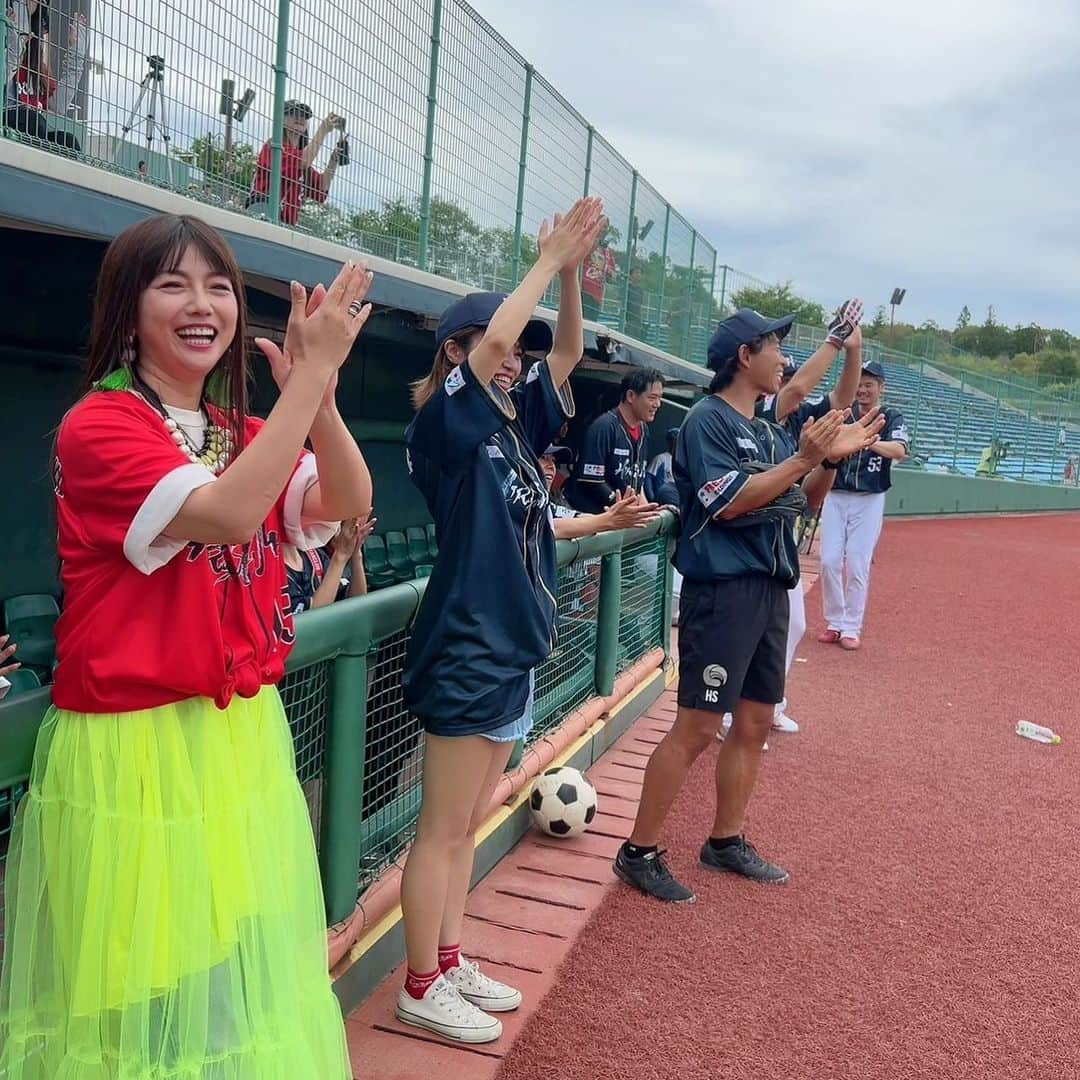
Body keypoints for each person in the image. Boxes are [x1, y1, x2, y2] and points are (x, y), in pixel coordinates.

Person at [0, 213, 374, 1075]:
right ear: (128, 314)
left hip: (231, 734)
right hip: (131, 746)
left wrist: (318, 400)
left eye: (217, 287)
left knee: (223, 994)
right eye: (172, 284)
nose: (202, 304)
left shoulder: (238, 432)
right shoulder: (100, 425)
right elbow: (232, 512)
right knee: (140, 1007)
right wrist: (305, 380)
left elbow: (345, 501)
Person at [397, 197, 605, 1043]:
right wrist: (540, 261)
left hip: (513, 642)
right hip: (467, 644)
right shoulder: (445, 422)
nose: (512, 358)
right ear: (453, 353)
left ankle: (447, 961)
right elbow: (491, 349)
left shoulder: (513, 431)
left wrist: (569, 275)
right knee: (442, 831)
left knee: (469, 826)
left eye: (515, 347)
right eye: (495, 345)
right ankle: (418, 986)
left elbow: (569, 351)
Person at [612, 307, 882, 903]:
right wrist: (807, 456)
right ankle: (638, 851)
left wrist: (828, 459)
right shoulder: (708, 421)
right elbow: (730, 504)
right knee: (699, 725)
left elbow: (805, 500)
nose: (783, 358)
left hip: (769, 583)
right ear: (743, 356)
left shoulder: (767, 427)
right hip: (724, 588)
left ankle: (725, 840)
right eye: (774, 347)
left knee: (756, 719)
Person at [748, 301, 865, 733]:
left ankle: (769, 703)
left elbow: (841, 400)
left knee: (793, 622)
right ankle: (733, 712)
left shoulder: (790, 424)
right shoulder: (752, 411)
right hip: (743, 541)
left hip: (778, 542)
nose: (785, 372)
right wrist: (836, 337)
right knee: (748, 632)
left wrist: (855, 348)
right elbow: (796, 391)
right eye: (780, 363)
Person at [818, 360, 909, 651]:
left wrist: (868, 441)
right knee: (829, 560)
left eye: (869, 384)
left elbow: (900, 450)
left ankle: (851, 626)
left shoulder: (891, 417)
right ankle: (834, 621)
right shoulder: (842, 415)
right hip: (837, 494)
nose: (862, 389)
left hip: (869, 499)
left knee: (857, 563)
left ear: (880, 387)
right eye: (859, 383)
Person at [563, 367, 663, 513]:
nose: (657, 404)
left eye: (660, 398)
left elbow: (637, 479)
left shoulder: (644, 430)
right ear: (630, 396)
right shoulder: (604, 427)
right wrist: (623, 505)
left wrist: (646, 510)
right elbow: (592, 480)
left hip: (621, 518)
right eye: (652, 398)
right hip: (588, 516)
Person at [248, 99, 345, 227]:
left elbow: (321, 189)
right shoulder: (274, 147)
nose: (299, 118)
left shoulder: (299, 157)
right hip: (263, 216)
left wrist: (333, 160)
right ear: (282, 119)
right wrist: (323, 130)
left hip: (284, 224)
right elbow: (303, 161)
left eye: (304, 115)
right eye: (293, 113)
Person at [284, 513, 375, 614]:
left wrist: (355, 553)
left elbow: (357, 603)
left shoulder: (316, 555)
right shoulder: (271, 570)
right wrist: (341, 555)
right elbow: (312, 622)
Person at [4, 32, 80, 151]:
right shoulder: (8, 63)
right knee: (33, 119)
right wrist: (16, 44)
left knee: (68, 141)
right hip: (8, 118)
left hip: (35, 128)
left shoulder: (40, 74)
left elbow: (58, 106)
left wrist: (76, 51)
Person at [581, 230, 617, 321]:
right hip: (584, 289)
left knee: (591, 323)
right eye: (603, 226)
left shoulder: (608, 252)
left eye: (606, 227)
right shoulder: (587, 241)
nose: (604, 229)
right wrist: (596, 241)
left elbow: (613, 275)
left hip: (597, 295)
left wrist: (610, 274)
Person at [625, 265, 645, 339]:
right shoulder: (626, 287)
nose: (638, 275)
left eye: (640, 273)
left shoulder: (641, 291)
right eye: (636, 272)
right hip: (628, 319)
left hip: (637, 320)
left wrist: (641, 319)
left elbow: (640, 306)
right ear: (631, 275)